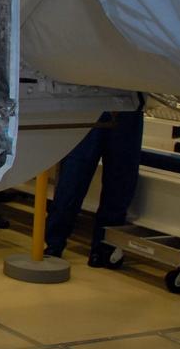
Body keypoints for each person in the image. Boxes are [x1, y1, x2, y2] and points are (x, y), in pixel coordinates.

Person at [42, 106, 144, 266]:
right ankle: (55, 244)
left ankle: (104, 248)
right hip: (94, 107)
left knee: (118, 183)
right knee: (73, 180)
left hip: (125, 109)